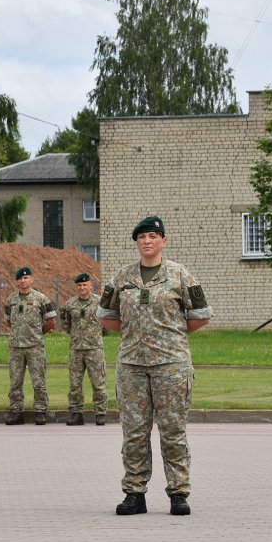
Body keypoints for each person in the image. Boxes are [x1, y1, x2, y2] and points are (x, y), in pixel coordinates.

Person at [98, 216, 212, 517]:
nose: (147, 241)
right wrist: (136, 335)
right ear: (136, 242)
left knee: (172, 430)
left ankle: (178, 492)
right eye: (142, 237)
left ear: (164, 240)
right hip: (132, 364)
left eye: (153, 236)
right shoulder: (122, 277)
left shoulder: (179, 275)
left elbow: (200, 315)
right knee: (134, 432)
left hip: (171, 365)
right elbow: (106, 315)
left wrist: (169, 334)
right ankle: (134, 493)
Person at [3, 267, 57, 425]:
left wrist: (37, 334)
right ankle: (16, 411)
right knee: (15, 382)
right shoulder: (11, 300)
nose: (23, 281)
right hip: (16, 347)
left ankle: (40, 411)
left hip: (34, 346)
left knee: (38, 380)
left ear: (32, 279)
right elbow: (8, 321)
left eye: (26, 278)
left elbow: (51, 321)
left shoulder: (41, 298)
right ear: (17, 281)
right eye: (20, 279)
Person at [60, 273, 109, 426]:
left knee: (98, 382)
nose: (82, 287)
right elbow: (65, 323)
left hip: (94, 348)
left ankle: (100, 413)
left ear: (90, 285)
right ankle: (76, 413)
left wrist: (95, 337)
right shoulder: (70, 304)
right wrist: (77, 336)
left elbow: (106, 324)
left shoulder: (100, 302)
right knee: (74, 384)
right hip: (76, 349)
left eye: (85, 285)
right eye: (79, 285)